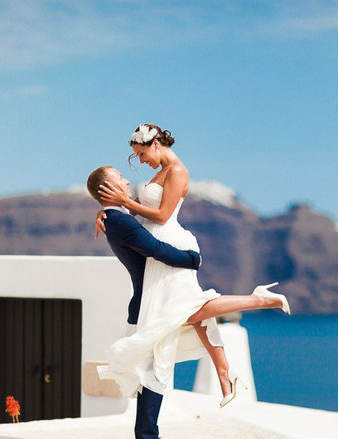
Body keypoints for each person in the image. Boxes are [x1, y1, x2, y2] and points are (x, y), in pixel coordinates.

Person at [95, 123, 291, 409]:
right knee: (194, 313)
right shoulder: (160, 172)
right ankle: (224, 372)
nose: (141, 161)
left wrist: (125, 200)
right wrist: (106, 210)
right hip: (158, 246)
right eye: (136, 156)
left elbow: (161, 215)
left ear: (156, 145)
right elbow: (132, 209)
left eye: (141, 153)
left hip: (170, 243)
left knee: (190, 310)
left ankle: (261, 299)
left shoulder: (178, 172)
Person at [87, 165, 193, 439]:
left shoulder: (117, 218)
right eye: (119, 177)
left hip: (152, 300)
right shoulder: (119, 220)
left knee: (156, 370)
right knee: (154, 371)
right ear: (108, 189)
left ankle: (150, 437)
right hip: (150, 303)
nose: (126, 179)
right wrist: (192, 259)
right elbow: (155, 248)